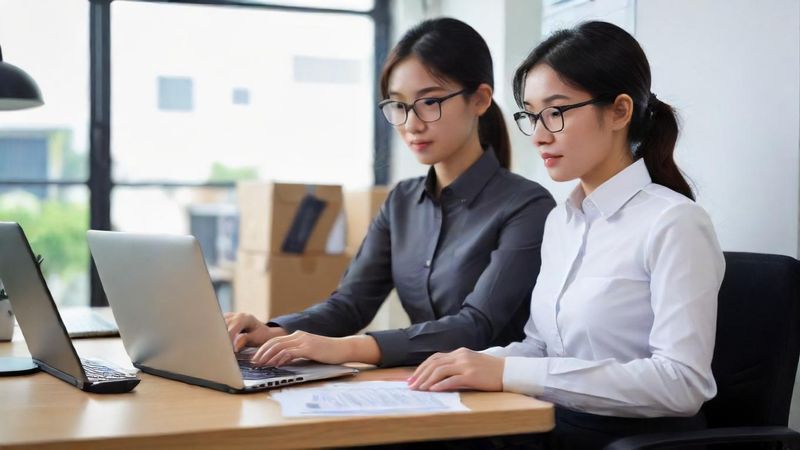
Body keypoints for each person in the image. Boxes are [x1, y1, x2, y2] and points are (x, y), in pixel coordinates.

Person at [409, 21, 725, 449]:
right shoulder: (562, 221)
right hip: (552, 421)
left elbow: (682, 384)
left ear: (619, 111)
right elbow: (542, 347)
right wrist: (471, 362)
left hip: (628, 438)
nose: (539, 135)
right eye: (530, 115)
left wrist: (506, 373)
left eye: (556, 112)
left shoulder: (675, 222)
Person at [225, 17, 555, 369]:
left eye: (429, 102)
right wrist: (273, 331)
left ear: (480, 99)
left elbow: (475, 327)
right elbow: (351, 305)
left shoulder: (527, 207)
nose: (412, 124)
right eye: (398, 105)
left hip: (501, 403)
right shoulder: (402, 201)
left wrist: (346, 349)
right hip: (419, 391)